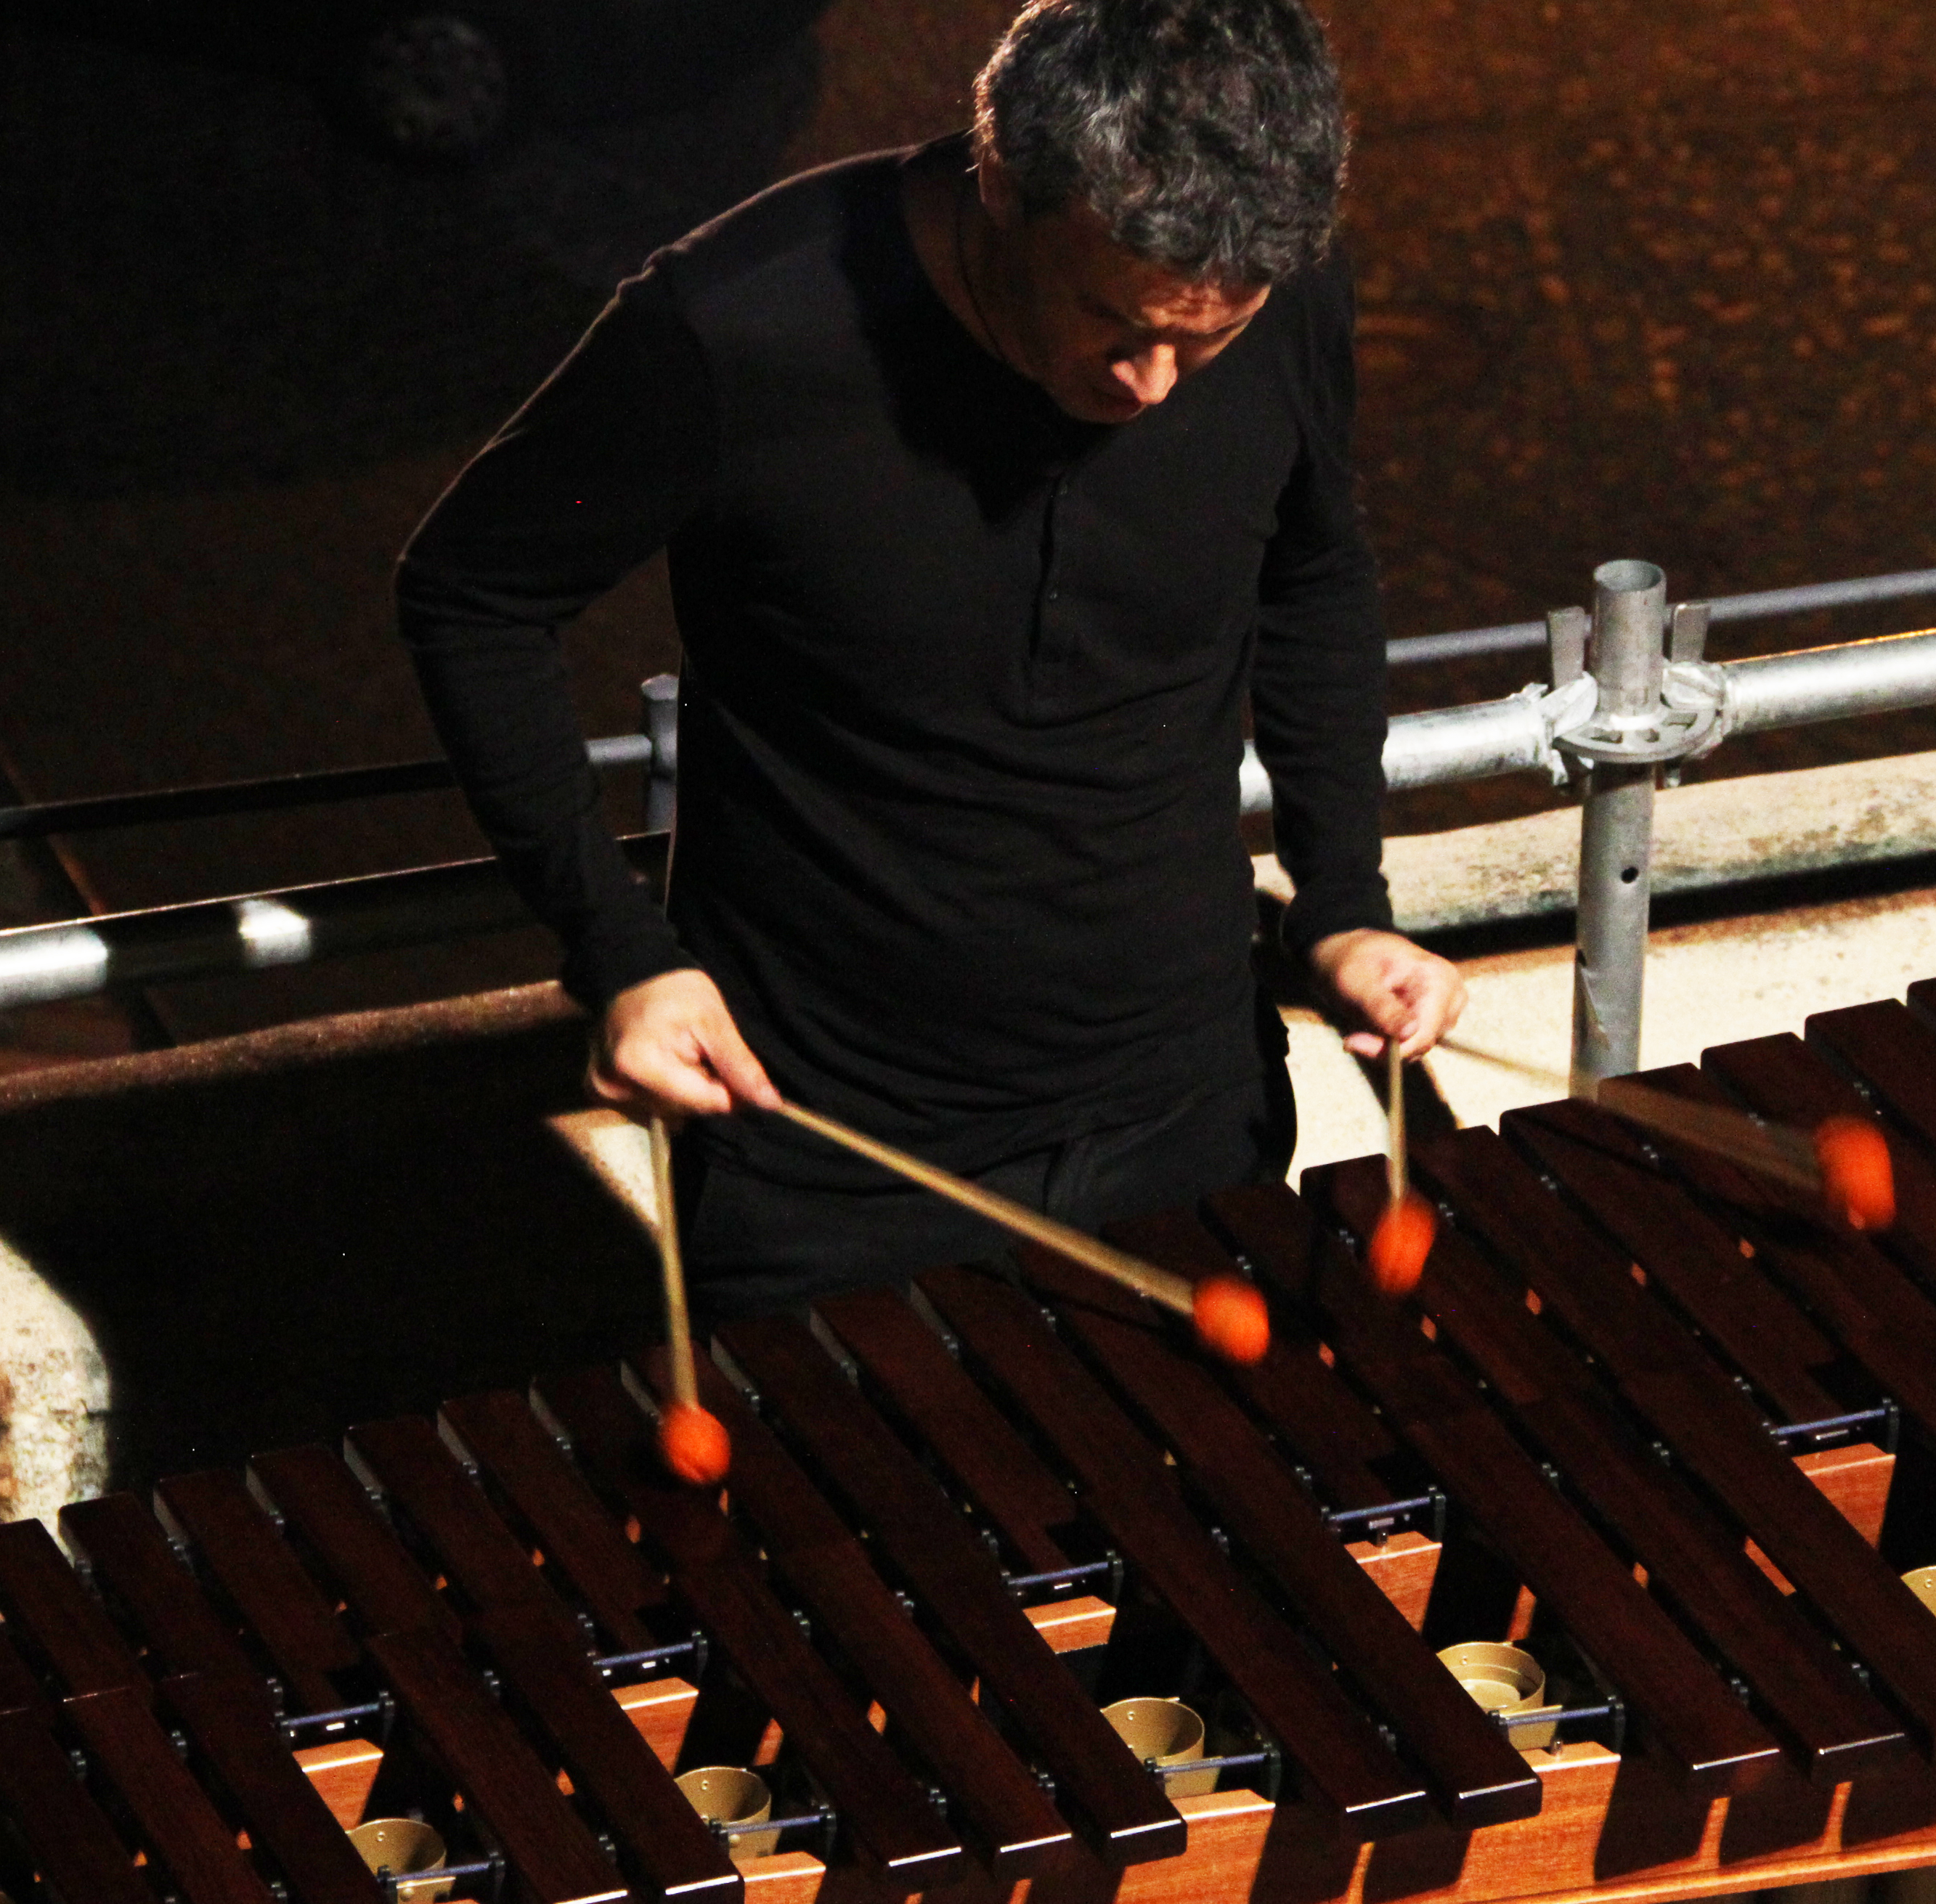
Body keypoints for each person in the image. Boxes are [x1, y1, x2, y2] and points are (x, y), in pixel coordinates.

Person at [396, 0, 1461, 1319]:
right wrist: (619, 951)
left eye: (1208, 340)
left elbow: (1314, 574)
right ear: (1006, 180)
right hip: (829, 1151)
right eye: (1115, 321)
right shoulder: (733, 329)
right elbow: (471, 597)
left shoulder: (1287, 285)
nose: (1154, 387)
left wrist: (1346, 898)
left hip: (1185, 1104)